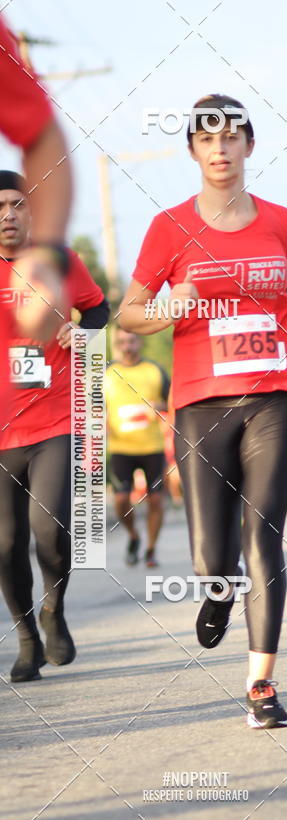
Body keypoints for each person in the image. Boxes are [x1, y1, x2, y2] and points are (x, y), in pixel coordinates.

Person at [117, 94, 287, 728]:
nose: (221, 148)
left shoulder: (283, 222)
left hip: (276, 394)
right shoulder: (168, 228)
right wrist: (168, 310)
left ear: (249, 147)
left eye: (233, 137)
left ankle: (262, 684)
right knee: (212, 556)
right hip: (202, 404)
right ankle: (216, 591)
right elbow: (128, 313)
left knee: (263, 536)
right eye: (208, 139)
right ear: (193, 152)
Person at [0, 172, 109, 683]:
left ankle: (53, 607)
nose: (8, 214)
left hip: (55, 419)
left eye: (18, 204)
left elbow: (99, 308)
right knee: (4, 544)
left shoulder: (57, 260)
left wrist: (78, 329)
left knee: (50, 530)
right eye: (0, 206)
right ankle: (26, 638)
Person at [0, 14, 73, 346]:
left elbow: (43, 136)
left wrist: (45, 255)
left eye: (17, 205)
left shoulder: (63, 264)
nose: (9, 215)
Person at [105, 327, 170, 567]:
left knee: (155, 500)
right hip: (121, 447)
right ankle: (133, 535)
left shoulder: (154, 370)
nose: (127, 346)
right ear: (117, 344)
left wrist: (159, 405)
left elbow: (172, 401)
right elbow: (93, 406)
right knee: (121, 499)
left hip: (152, 445)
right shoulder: (108, 372)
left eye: (131, 341)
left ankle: (151, 550)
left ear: (138, 342)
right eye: (122, 342)